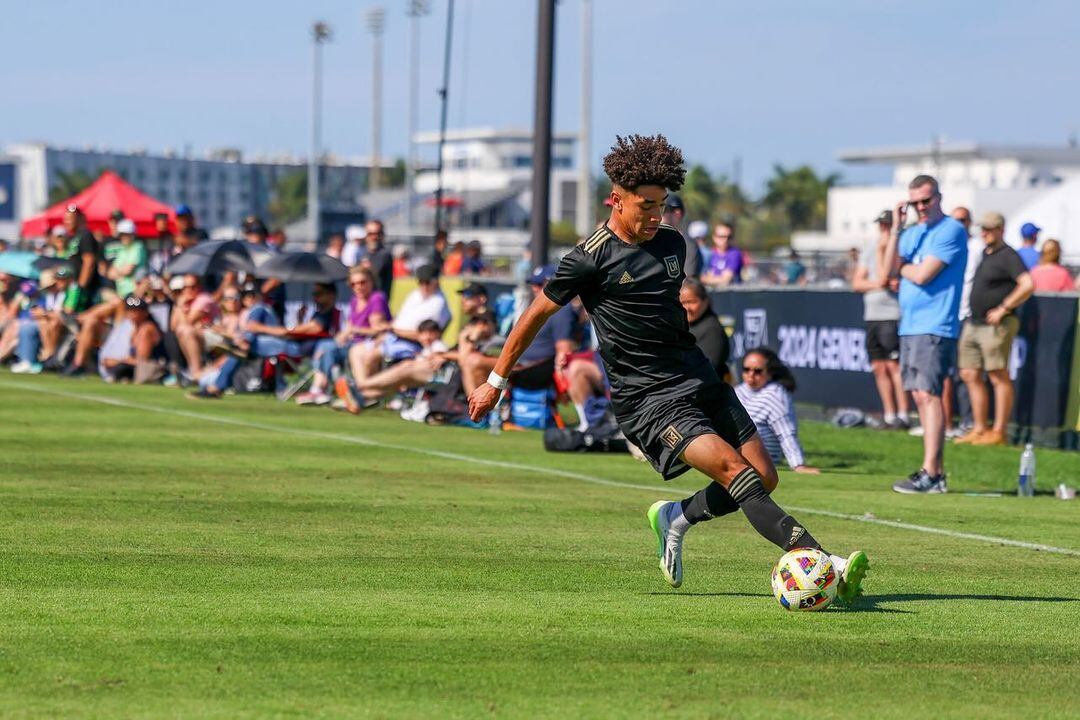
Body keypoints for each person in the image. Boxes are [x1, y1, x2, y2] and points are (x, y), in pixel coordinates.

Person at [467, 133, 867, 600]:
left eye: (662, 204)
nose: (657, 215)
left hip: (698, 378)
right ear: (616, 199)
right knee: (734, 471)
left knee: (764, 476)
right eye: (646, 206)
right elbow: (533, 317)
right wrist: (495, 381)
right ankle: (824, 562)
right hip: (649, 399)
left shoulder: (673, 244)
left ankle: (675, 517)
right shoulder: (588, 258)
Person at [881, 175, 968, 494]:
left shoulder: (951, 230)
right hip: (911, 325)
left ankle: (932, 472)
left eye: (926, 200)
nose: (921, 207)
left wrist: (903, 270)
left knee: (929, 395)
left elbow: (922, 274)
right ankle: (933, 472)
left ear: (938, 198)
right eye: (915, 202)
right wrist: (897, 228)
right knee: (919, 395)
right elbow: (886, 271)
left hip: (935, 324)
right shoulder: (912, 233)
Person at [954, 212, 1034, 446]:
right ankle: (979, 428)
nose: (985, 233)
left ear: (1001, 230)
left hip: (996, 324)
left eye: (989, 229)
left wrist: (1004, 308)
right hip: (974, 321)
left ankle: (999, 431)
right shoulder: (984, 254)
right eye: (983, 229)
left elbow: (1027, 284)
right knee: (969, 373)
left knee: (998, 375)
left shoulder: (1008, 255)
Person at [295, 267, 390, 406]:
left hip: (368, 345)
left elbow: (378, 330)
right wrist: (341, 337)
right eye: (354, 284)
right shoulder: (355, 301)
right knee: (325, 346)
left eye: (362, 282)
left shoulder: (376, 299)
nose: (358, 287)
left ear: (371, 282)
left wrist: (354, 330)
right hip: (353, 343)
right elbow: (349, 328)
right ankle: (328, 387)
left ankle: (326, 387)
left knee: (327, 347)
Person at [852, 210, 909, 430]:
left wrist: (883, 249)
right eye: (881, 225)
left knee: (894, 366)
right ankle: (890, 414)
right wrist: (879, 285)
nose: (883, 229)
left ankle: (903, 414)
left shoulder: (900, 247)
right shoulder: (870, 248)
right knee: (879, 366)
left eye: (887, 225)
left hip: (891, 314)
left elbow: (886, 274)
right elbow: (858, 283)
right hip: (872, 315)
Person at [347, 264, 449, 383]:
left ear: (436, 281)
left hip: (412, 344)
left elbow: (424, 336)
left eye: (427, 282)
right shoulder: (416, 295)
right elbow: (400, 320)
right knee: (356, 351)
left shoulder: (438, 304)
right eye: (421, 282)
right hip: (394, 338)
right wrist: (387, 331)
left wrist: (392, 330)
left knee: (370, 357)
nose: (424, 286)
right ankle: (363, 387)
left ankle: (366, 388)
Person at [735, 348, 819, 474]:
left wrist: (798, 465)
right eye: (746, 369)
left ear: (770, 373)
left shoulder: (775, 394)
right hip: (735, 459)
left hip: (762, 462)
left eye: (758, 371)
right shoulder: (738, 391)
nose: (751, 374)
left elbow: (786, 432)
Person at [679, 278, 730, 382]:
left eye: (692, 302)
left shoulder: (712, 330)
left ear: (705, 301)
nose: (687, 308)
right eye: (683, 302)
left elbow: (706, 369)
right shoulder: (681, 326)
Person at [63, 205, 101, 313]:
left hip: (85, 288)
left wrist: (81, 286)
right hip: (73, 286)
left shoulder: (85, 235)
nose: (67, 222)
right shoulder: (72, 238)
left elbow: (89, 261)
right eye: (65, 219)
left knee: (74, 314)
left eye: (70, 219)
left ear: (79, 219)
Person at [107, 219, 147, 299]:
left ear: (133, 235)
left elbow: (128, 270)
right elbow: (110, 273)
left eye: (126, 234)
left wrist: (118, 272)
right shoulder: (123, 249)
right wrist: (122, 272)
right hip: (122, 294)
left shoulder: (138, 247)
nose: (123, 237)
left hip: (135, 293)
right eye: (122, 235)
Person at [662, 194, 701, 277]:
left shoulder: (687, 244)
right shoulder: (649, 240)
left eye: (664, 209)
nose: (659, 213)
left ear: (678, 213)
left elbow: (688, 278)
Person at [701, 222, 743, 286]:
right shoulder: (709, 254)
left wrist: (705, 279)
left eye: (729, 237)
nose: (725, 240)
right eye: (722, 236)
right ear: (714, 237)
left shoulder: (735, 254)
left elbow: (726, 280)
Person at [362, 219, 393, 294]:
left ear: (382, 235)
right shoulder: (363, 253)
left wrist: (364, 269)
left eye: (378, 233)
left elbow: (376, 272)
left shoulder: (385, 255)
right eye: (370, 234)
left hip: (378, 298)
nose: (374, 237)